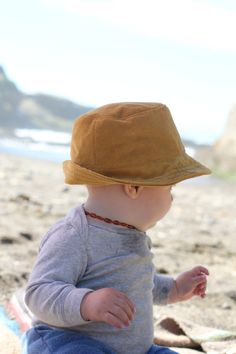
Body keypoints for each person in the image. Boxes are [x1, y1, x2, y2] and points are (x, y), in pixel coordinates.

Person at [24, 102, 211, 354]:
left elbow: (138, 282)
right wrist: (87, 303)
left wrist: (175, 288)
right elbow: (38, 293)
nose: (172, 197)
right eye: (169, 188)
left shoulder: (131, 233)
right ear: (133, 188)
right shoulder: (74, 234)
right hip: (68, 339)